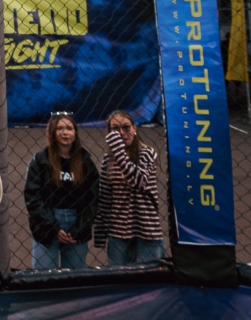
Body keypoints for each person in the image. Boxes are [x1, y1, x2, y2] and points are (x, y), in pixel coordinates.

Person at [23, 113, 98, 270]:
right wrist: (53, 228)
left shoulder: (86, 162)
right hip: (47, 223)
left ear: (75, 133)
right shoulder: (40, 161)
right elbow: (33, 196)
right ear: (52, 132)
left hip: (77, 223)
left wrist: (78, 229)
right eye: (60, 128)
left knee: (74, 277)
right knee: (43, 276)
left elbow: (93, 198)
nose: (65, 133)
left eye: (69, 128)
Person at [98, 110, 167, 265]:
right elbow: (105, 197)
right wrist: (101, 234)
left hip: (146, 229)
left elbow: (138, 181)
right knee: (118, 277)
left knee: (149, 277)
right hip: (118, 231)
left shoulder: (147, 152)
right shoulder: (108, 160)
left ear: (134, 128)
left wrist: (119, 152)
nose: (122, 133)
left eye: (126, 127)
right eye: (115, 129)